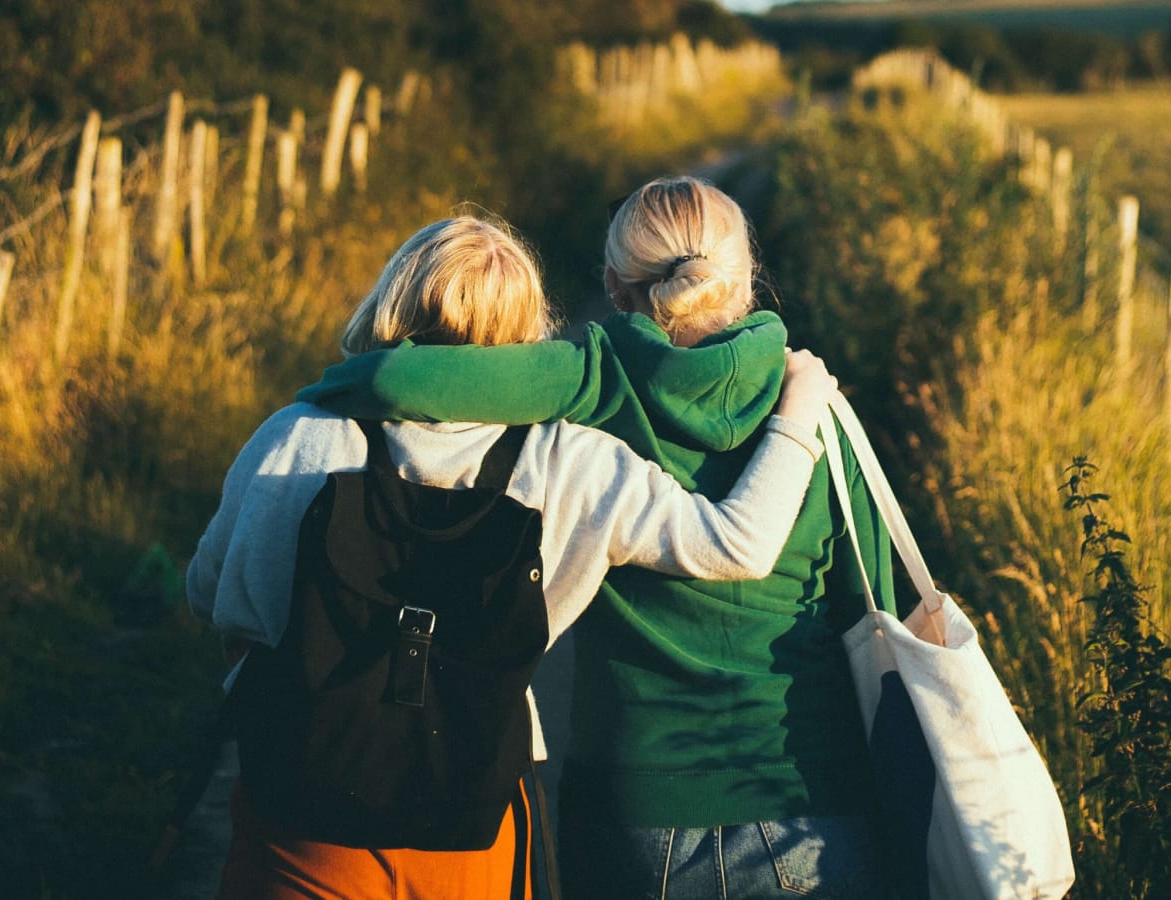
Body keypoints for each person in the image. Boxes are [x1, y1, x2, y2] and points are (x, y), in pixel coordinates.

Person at [186, 214, 841, 900]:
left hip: (301, 810)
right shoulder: (571, 460)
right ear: (530, 330)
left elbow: (212, 595)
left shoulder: (299, 437)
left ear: (391, 300)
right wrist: (797, 415)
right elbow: (737, 543)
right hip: (476, 812)